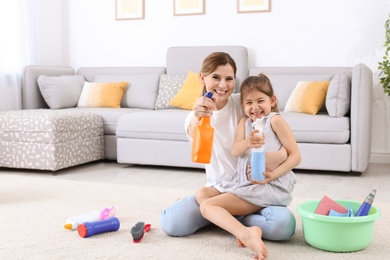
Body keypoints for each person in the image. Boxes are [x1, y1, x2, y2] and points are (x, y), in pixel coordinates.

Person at [160, 52, 296, 243]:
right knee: (171, 223)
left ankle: (222, 217)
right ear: (202, 78)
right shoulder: (195, 117)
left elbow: (275, 128)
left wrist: (280, 155)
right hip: (220, 189)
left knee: (283, 226)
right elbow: (194, 128)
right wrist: (198, 116)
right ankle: (228, 216)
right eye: (216, 77)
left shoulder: (245, 102)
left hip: (253, 187)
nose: (222, 85)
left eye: (229, 79)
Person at [195, 73, 301, 259]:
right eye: (249, 103)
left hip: (266, 185)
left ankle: (246, 233)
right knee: (201, 194)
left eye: (260, 100)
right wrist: (248, 142)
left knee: (206, 207)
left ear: (272, 100)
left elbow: (295, 156)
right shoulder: (244, 122)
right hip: (244, 183)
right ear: (242, 105)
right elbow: (236, 150)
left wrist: (273, 175)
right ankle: (238, 220)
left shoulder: (274, 121)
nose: (255, 107)